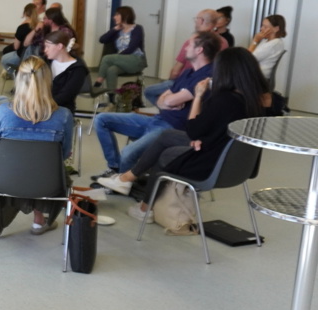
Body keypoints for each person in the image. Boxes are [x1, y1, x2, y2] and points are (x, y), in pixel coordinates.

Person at [96, 49, 268, 224]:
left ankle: (143, 207)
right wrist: (200, 136)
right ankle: (127, 179)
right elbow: (216, 130)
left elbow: (192, 129)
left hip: (212, 164)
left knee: (165, 155)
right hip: (236, 164)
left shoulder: (225, 100)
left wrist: (198, 97)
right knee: (167, 136)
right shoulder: (258, 101)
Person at [93, 31, 219, 178]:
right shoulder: (187, 73)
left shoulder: (206, 76)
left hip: (170, 129)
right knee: (101, 119)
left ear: (199, 50)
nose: (185, 48)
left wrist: (169, 100)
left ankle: (122, 182)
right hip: (156, 120)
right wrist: (168, 101)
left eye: (189, 45)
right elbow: (162, 99)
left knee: (128, 152)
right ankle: (115, 168)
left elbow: (169, 100)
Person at [0, 56, 74, 235]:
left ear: (18, 79)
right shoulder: (63, 116)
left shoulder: (2, 113)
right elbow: (63, 155)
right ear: (48, 81)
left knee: (21, 167)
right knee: (44, 169)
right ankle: (39, 221)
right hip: (48, 184)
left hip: (5, 182)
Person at [143, 9, 228, 106]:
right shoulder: (223, 42)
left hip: (185, 81)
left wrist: (171, 82)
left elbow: (176, 71)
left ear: (201, 21)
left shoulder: (193, 41)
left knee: (148, 91)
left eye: (196, 19)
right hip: (209, 83)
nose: (195, 21)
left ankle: (167, 112)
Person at [95, 6, 146, 90]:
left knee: (107, 58)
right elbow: (102, 40)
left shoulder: (137, 28)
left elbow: (132, 48)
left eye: (117, 15)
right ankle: (111, 98)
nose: (114, 17)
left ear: (125, 15)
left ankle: (97, 84)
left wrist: (116, 57)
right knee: (111, 70)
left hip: (136, 60)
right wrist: (114, 29)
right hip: (121, 60)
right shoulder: (117, 30)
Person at [42, 30, 88, 113]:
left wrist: (42, 106)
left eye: (48, 46)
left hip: (61, 110)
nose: (45, 50)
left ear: (59, 46)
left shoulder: (78, 69)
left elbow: (65, 96)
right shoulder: (45, 62)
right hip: (42, 106)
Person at [0, 3, 37, 77]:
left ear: (25, 13)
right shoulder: (39, 26)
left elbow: (16, 46)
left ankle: (16, 76)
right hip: (36, 56)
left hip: (22, 56)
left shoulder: (22, 28)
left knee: (4, 60)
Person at [248, 14, 287, 79]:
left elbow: (248, 59)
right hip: (253, 73)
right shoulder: (266, 41)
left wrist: (255, 41)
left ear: (276, 29)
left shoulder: (274, 44)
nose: (261, 29)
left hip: (257, 77)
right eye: (262, 26)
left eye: (265, 27)